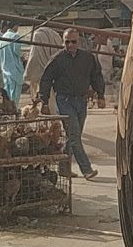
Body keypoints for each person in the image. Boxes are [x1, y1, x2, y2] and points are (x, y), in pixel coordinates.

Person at [36, 28, 106, 180]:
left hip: (81, 101)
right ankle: (86, 169)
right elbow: (46, 79)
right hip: (64, 100)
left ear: (78, 42)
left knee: (74, 136)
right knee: (74, 136)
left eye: (73, 42)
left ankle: (63, 167)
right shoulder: (57, 59)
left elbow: (96, 76)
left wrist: (101, 95)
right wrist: (44, 100)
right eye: (67, 42)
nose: (70, 45)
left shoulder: (87, 58)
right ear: (63, 42)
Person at [22, 23, 63, 98]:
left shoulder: (37, 34)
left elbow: (34, 54)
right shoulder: (56, 35)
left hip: (40, 71)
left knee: (40, 97)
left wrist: (29, 71)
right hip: (54, 69)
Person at [0, 25, 25, 106]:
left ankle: (8, 110)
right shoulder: (15, 36)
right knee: (15, 95)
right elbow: (17, 51)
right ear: (15, 26)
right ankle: (14, 110)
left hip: (5, 68)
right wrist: (23, 56)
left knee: (7, 93)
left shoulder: (3, 37)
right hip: (15, 69)